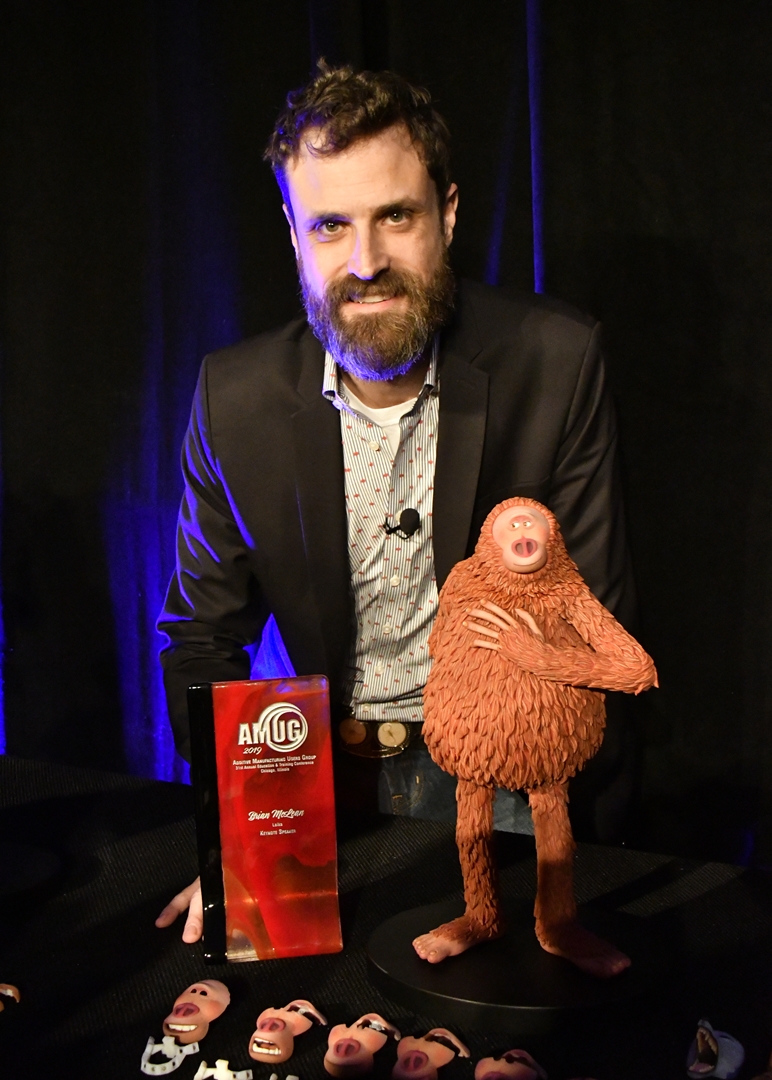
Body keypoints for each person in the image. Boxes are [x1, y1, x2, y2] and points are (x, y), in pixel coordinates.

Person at [155, 62, 635, 942]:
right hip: (311, 787)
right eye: (330, 225)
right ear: (294, 235)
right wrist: (241, 833)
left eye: (396, 217)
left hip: (508, 777)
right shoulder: (234, 396)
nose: (366, 262)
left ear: (447, 214)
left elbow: (590, 618)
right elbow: (201, 638)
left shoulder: (557, 361)